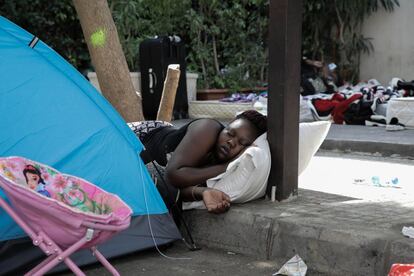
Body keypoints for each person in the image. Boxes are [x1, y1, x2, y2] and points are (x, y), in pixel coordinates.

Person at [128, 110, 267, 214]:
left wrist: (203, 192)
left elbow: (172, 189)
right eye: (230, 133)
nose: (231, 142)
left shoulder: (230, 168)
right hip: (135, 139)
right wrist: (227, 166)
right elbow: (173, 175)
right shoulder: (208, 129)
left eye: (242, 143)